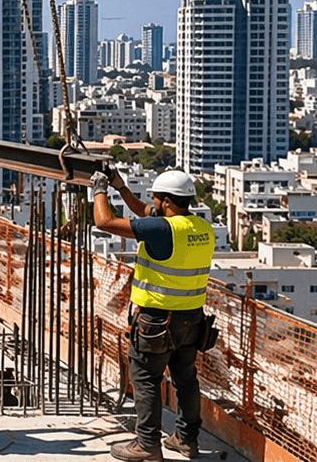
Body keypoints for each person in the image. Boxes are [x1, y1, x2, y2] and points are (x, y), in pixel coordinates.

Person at [92, 168, 214, 460]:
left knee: (146, 379)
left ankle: (147, 444)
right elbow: (143, 209)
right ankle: (186, 440)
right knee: (186, 380)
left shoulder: (162, 230)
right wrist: (121, 188)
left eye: (157, 198)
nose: (152, 201)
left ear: (168, 202)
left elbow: (104, 221)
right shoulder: (199, 227)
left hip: (157, 322)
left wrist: (97, 190)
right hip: (192, 320)